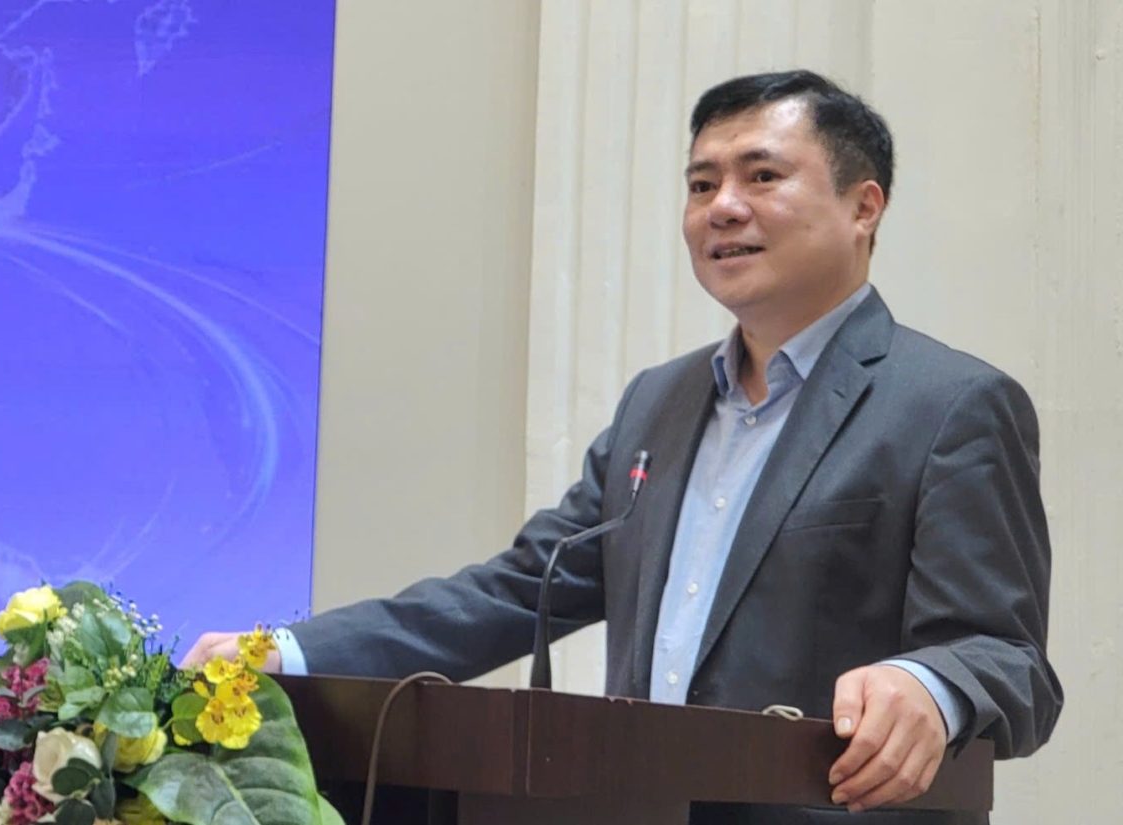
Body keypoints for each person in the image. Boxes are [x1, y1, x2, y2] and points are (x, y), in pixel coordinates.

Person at [183, 70, 1062, 824]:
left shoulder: (947, 405)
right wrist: (288, 654)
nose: (723, 207)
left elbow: (1010, 660)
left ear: (864, 206)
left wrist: (931, 688)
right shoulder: (660, 403)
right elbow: (520, 587)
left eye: (762, 175)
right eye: (701, 183)